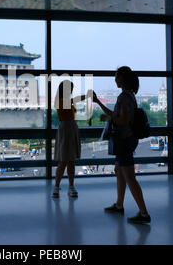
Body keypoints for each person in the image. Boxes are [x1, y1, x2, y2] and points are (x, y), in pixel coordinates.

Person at [92, 66, 151, 224]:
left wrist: (108, 119)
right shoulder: (129, 95)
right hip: (128, 139)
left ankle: (144, 213)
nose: (115, 79)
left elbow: (122, 120)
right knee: (119, 171)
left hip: (124, 140)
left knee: (130, 177)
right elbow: (116, 115)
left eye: (117, 76)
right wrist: (98, 102)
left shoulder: (123, 97)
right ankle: (119, 204)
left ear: (122, 79)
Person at [52, 80, 89, 198]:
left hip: (68, 128)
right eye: (70, 89)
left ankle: (60, 187)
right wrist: (87, 95)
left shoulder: (61, 101)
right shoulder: (61, 101)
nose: (71, 91)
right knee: (65, 161)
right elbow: (74, 100)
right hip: (68, 128)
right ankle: (65, 187)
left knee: (68, 160)